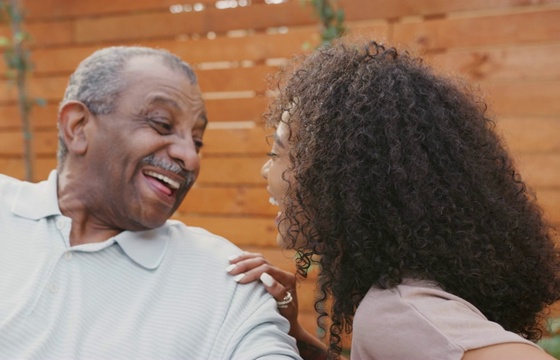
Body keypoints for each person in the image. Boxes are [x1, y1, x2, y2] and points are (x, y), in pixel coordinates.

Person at [0, 46, 301, 359]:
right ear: (78, 128)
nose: (190, 156)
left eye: (197, 140)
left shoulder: (230, 276)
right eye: (162, 124)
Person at [226, 40, 560, 359]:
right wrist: (295, 334)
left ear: (341, 176)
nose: (266, 169)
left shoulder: (397, 311)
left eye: (279, 152)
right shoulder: (411, 301)